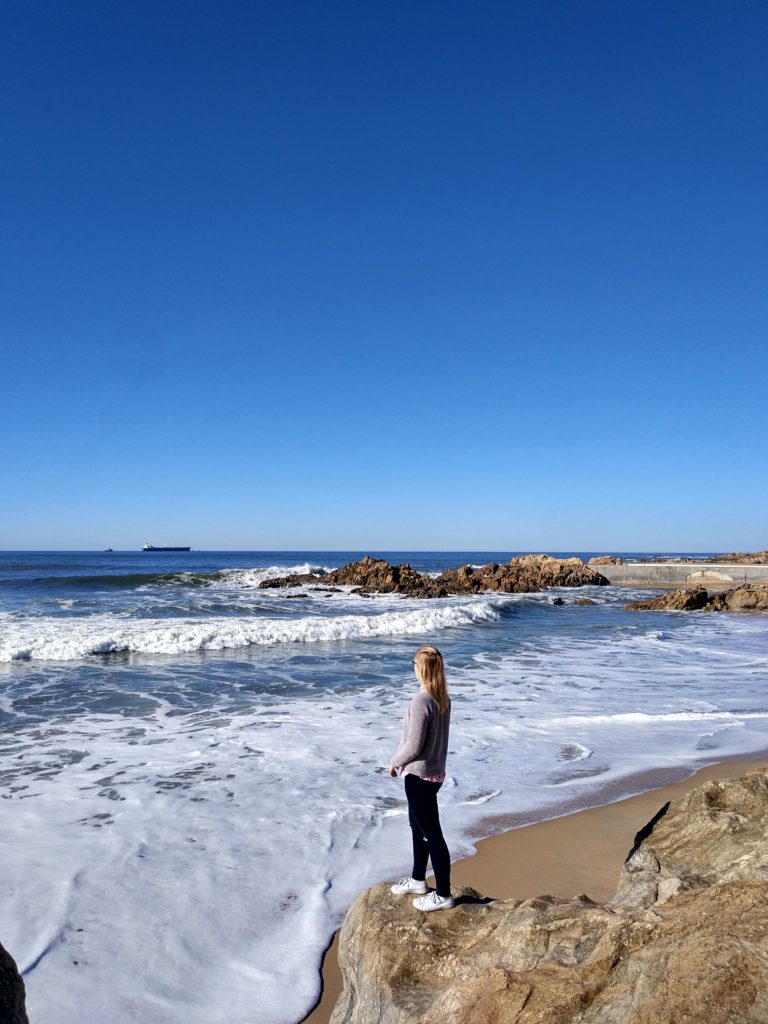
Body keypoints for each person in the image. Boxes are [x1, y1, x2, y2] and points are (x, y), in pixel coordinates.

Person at [388, 644, 453, 912]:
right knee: (418, 828)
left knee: (432, 835)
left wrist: (395, 762)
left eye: (414, 665)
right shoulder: (442, 699)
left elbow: (414, 746)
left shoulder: (421, 702)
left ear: (422, 670)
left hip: (418, 776)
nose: (412, 669)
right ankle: (417, 879)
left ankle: (444, 894)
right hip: (435, 774)